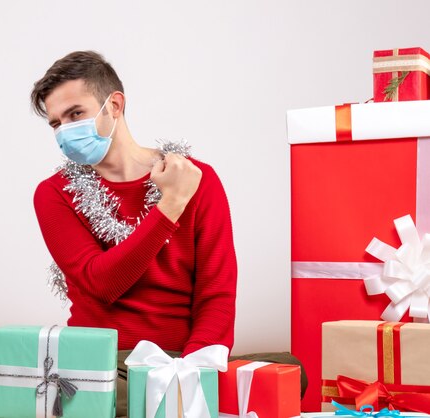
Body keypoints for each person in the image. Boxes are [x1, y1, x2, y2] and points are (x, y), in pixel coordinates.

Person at [31, 51, 304, 417]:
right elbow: (102, 283)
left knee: (288, 373)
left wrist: (191, 373)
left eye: (76, 114)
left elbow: (216, 294)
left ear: (114, 105)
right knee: (104, 396)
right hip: (107, 364)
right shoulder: (53, 194)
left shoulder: (197, 180)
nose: (65, 131)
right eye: (56, 123)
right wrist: (171, 203)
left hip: (183, 357)